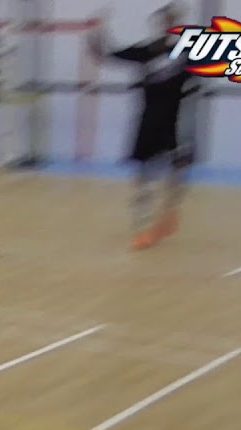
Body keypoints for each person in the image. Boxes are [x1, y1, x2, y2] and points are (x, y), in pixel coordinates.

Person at [88, 3, 200, 250]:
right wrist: (98, 30)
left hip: (174, 123)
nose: (167, 24)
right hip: (148, 122)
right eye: (164, 20)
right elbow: (107, 53)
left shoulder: (187, 53)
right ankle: (142, 229)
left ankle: (169, 215)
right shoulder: (147, 51)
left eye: (172, 20)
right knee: (143, 177)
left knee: (177, 172)